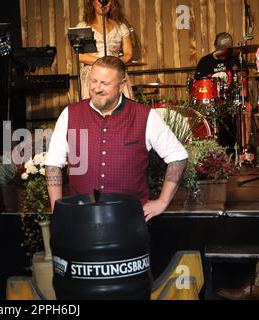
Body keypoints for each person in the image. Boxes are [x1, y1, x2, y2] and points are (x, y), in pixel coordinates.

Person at [45, 56, 188, 221]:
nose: (96, 88)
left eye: (104, 83)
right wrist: (58, 209)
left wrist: (162, 201)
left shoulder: (145, 116)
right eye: (93, 81)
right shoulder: (70, 114)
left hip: (129, 219)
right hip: (81, 219)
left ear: (122, 84)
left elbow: (178, 156)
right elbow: (53, 164)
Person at [195, 32, 252, 156]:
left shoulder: (237, 60)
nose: (224, 52)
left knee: (246, 109)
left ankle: (244, 151)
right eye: (221, 49)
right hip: (211, 102)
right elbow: (198, 86)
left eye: (227, 49)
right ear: (215, 46)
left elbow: (244, 84)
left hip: (231, 101)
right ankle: (205, 152)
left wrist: (243, 99)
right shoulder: (205, 62)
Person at [77, 0, 134, 100]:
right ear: (92, 2)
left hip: (115, 70)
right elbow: (80, 56)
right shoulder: (83, 26)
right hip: (93, 72)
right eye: (99, 0)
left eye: (107, 0)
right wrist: (102, 63)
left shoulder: (120, 26)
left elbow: (128, 54)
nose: (103, 3)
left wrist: (113, 63)